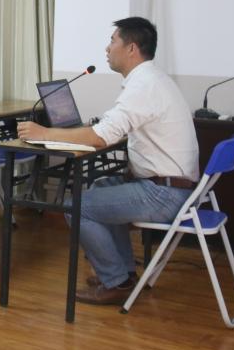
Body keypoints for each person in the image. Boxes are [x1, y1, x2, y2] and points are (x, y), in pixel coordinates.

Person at [18, 17, 199, 306]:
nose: (107, 48)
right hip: (172, 187)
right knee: (100, 187)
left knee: (77, 206)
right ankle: (123, 273)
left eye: (113, 41)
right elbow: (115, 127)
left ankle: (116, 281)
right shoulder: (151, 80)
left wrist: (44, 133)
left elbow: (101, 137)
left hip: (164, 194)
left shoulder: (144, 86)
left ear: (131, 48)